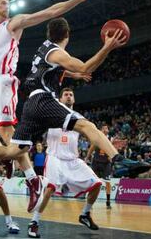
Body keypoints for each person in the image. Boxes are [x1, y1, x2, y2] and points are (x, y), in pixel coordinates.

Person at [0, 17, 151, 214]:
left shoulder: (44, 47)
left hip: (31, 104)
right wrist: (107, 47)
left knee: (13, 150)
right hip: (44, 100)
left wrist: (71, 74)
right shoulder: (56, 52)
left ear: (49, 33)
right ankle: (118, 159)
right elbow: (86, 66)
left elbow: (47, 70)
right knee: (86, 126)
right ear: (67, 35)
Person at [0, 0, 95, 181]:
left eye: (8, 3)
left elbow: (49, 12)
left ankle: (31, 179)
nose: (8, 6)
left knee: (5, 129)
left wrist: (78, 0)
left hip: (2, 81)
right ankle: (6, 155)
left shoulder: (12, 24)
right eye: (3, 3)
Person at [28, 88, 103, 238]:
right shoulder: (51, 115)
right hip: (54, 158)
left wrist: (107, 142)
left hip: (73, 160)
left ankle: (85, 214)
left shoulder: (80, 119)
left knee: (97, 184)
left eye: (71, 95)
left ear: (74, 99)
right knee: (49, 189)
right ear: (60, 99)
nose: (69, 97)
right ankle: (34, 222)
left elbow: (93, 135)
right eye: (66, 95)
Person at [86, 125, 113, 209]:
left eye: (107, 128)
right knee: (93, 182)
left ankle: (108, 202)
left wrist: (111, 156)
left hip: (106, 163)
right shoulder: (97, 138)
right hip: (96, 162)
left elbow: (113, 150)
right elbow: (91, 148)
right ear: (101, 130)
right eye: (104, 128)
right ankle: (89, 201)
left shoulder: (111, 139)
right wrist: (87, 157)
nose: (106, 129)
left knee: (108, 182)